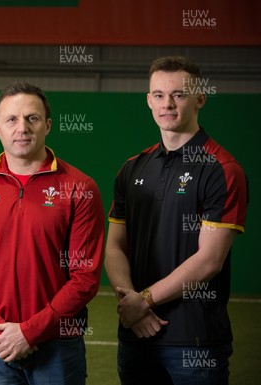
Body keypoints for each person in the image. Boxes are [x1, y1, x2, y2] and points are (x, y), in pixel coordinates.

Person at [0, 81, 105, 384]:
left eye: (32, 118)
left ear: (47, 125)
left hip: (58, 345)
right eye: (11, 120)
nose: (22, 128)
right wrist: (0, 332)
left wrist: (29, 332)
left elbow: (85, 278)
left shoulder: (80, 188)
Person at [105, 56, 248, 385]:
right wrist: (129, 301)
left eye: (179, 95)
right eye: (158, 95)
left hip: (193, 343)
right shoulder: (132, 167)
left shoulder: (222, 169)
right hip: (135, 336)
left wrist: (143, 301)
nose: (167, 104)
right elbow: (114, 245)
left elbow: (209, 260)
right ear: (148, 100)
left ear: (200, 99)